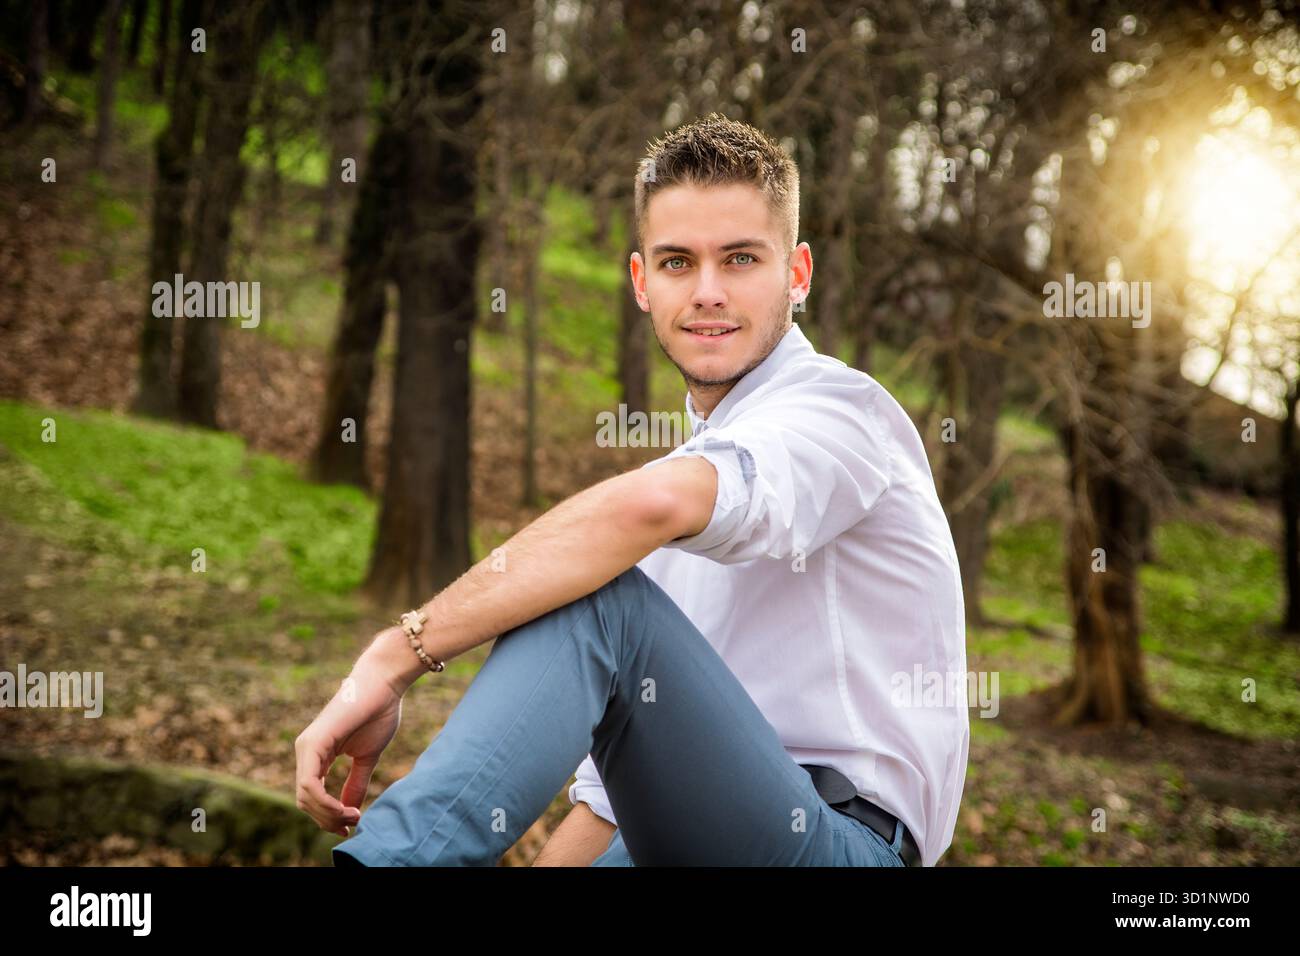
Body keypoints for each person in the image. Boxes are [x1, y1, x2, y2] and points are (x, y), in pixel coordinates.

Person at [294, 112, 969, 867]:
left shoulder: (843, 414)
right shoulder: (680, 500)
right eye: (679, 262)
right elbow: (606, 806)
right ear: (643, 282)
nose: (708, 292)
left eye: (741, 259)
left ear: (798, 274)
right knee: (596, 579)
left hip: (839, 846)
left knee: (595, 588)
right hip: (693, 835)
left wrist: (392, 660)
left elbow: (646, 508)